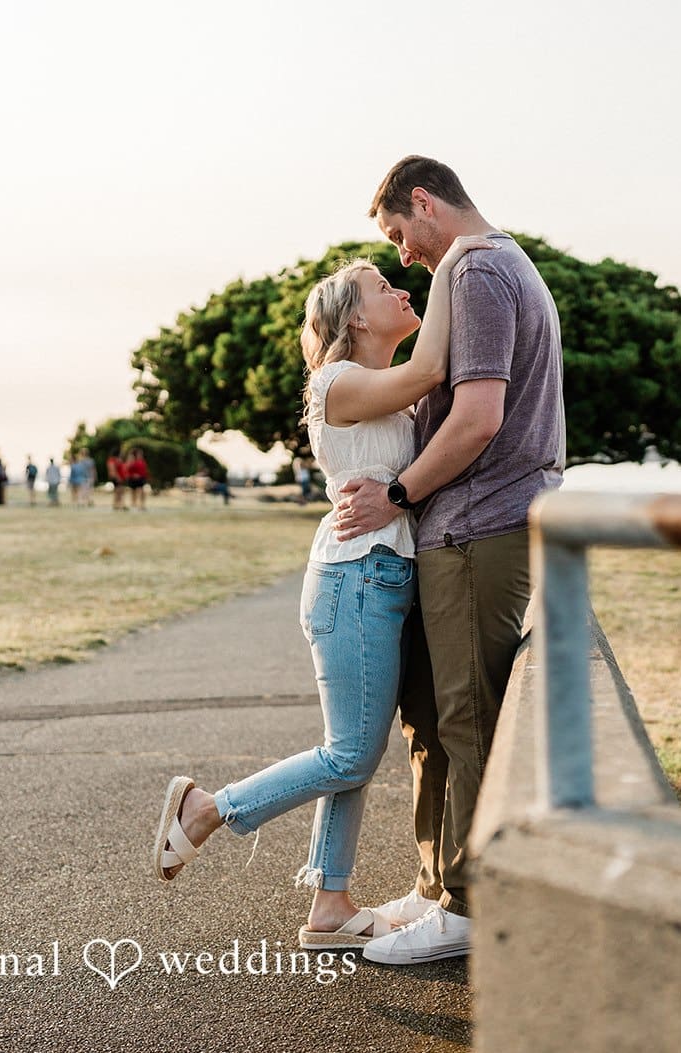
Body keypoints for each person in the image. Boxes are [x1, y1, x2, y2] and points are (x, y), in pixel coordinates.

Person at [149, 233, 490, 952]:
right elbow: (434, 364)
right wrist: (459, 257)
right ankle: (208, 809)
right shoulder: (337, 382)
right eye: (383, 287)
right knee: (349, 754)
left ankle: (330, 904)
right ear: (356, 319)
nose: (402, 290)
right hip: (355, 579)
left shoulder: (381, 389)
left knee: (355, 748)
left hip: (383, 579)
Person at [332, 156, 566, 965]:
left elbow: (475, 418)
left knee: (466, 716)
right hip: (464, 530)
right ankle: (437, 883)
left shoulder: (478, 271)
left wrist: (397, 493)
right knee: (433, 719)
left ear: (424, 204)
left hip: (477, 528)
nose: (401, 252)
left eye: (399, 231)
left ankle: (467, 905)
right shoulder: (484, 267)